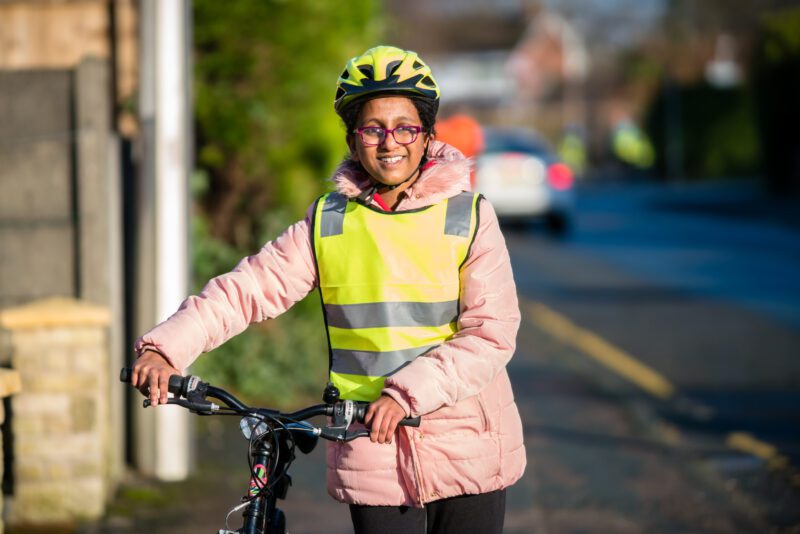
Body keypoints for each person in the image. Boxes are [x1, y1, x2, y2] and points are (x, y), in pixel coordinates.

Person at [130, 45, 525, 534]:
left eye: (405, 127)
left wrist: (407, 395)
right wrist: (166, 349)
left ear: (426, 135)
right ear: (352, 138)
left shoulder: (469, 216)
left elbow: (491, 333)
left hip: (467, 443)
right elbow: (248, 289)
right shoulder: (329, 222)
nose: (390, 142)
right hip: (372, 446)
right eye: (372, 129)